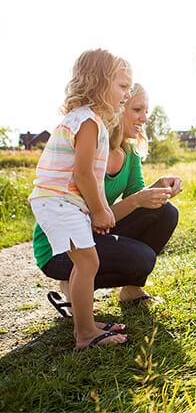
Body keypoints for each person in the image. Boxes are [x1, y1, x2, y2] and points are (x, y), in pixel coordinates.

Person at [33, 83, 181, 325]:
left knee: (165, 213)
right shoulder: (93, 147)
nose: (144, 118)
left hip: (95, 229)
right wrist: (137, 200)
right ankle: (72, 280)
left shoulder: (130, 153)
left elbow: (136, 199)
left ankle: (131, 291)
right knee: (142, 258)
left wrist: (159, 186)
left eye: (146, 111)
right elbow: (88, 217)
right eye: (137, 110)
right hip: (61, 247)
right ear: (117, 109)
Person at [29, 49, 132, 349]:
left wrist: (95, 210)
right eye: (122, 86)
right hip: (57, 200)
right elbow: (83, 174)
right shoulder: (87, 122)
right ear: (100, 83)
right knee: (88, 261)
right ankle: (85, 334)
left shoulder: (89, 120)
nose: (127, 93)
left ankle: (86, 324)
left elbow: (91, 177)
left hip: (61, 200)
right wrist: (99, 210)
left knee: (85, 262)